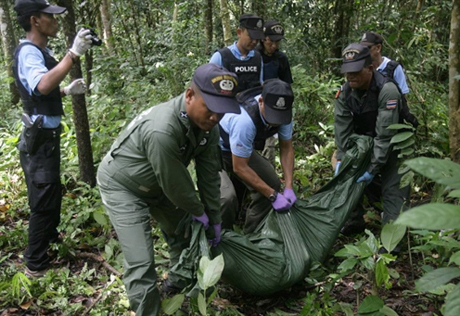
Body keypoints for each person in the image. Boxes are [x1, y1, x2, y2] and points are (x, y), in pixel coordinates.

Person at [97, 63, 240, 315]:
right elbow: (175, 184)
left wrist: (214, 218)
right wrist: (198, 211)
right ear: (189, 95)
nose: (215, 117)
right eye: (211, 109)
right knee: (141, 262)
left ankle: (176, 285)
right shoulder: (162, 129)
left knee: (184, 234)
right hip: (124, 186)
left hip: (159, 183)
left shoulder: (209, 128)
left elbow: (209, 177)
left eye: (222, 112)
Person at [12, 0, 95, 278]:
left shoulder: (39, 51)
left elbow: (41, 92)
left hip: (46, 137)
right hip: (39, 140)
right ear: (36, 20)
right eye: (51, 17)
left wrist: (66, 92)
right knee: (43, 199)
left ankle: (46, 247)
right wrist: (72, 54)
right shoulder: (29, 52)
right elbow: (42, 84)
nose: (56, 22)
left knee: (50, 194)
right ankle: (35, 264)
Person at [334, 43, 410, 235]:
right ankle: (354, 219)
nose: (350, 76)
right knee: (346, 171)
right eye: (347, 72)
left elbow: (385, 137)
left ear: (370, 68)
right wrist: (342, 162)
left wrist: (371, 170)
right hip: (367, 142)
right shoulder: (345, 92)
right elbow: (342, 130)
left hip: (395, 145)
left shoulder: (388, 90)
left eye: (356, 71)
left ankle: (393, 239)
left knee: (394, 197)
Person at [219, 79, 296, 234]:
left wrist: (288, 186)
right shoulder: (244, 121)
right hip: (216, 150)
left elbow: (286, 148)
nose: (276, 122)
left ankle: (252, 236)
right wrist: (273, 196)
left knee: (272, 182)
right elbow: (239, 168)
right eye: (272, 115)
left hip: (240, 150)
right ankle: (222, 237)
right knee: (227, 198)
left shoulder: (283, 113)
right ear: (261, 101)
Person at [257, 20, 293, 165]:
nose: (274, 46)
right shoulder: (253, 56)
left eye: (277, 42)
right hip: (254, 106)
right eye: (270, 41)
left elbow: (287, 86)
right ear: (262, 39)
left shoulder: (281, 59)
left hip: (273, 108)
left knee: (269, 146)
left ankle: (267, 177)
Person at [210, 13, 264, 92]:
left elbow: (260, 85)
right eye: (251, 37)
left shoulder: (257, 58)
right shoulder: (221, 57)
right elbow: (208, 86)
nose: (254, 41)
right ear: (239, 32)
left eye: (257, 38)